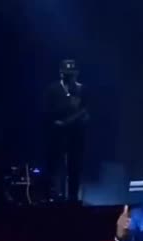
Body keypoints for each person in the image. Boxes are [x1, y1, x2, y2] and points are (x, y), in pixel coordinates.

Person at [42, 59, 88, 201]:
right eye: (66, 74)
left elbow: (87, 110)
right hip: (57, 136)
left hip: (76, 136)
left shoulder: (82, 89)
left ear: (76, 74)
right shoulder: (53, 89)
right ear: (61, 74)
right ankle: (51, 196)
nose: (69, 77)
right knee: (54, 167)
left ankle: (73, 198)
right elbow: (46, 111)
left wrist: (78, 120)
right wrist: (56, 123)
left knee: (74, 168)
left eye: (72, 74)